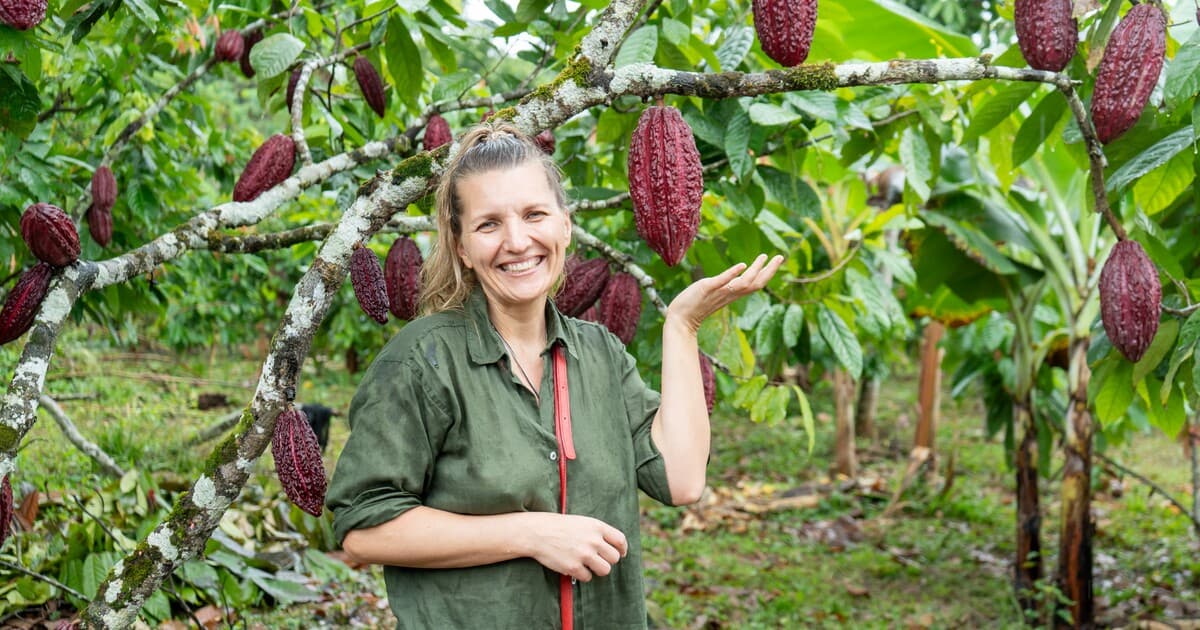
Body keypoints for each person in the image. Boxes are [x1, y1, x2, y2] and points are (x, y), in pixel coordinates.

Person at [327, 121, 784, 629]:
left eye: (534, 215)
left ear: (565, 226)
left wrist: (682, 326)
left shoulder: (601, 354)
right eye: (489, 224)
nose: (516, 241)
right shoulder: (423, 361)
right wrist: (530, 534)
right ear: (461, 248)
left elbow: (682, 480)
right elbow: (363, 528)